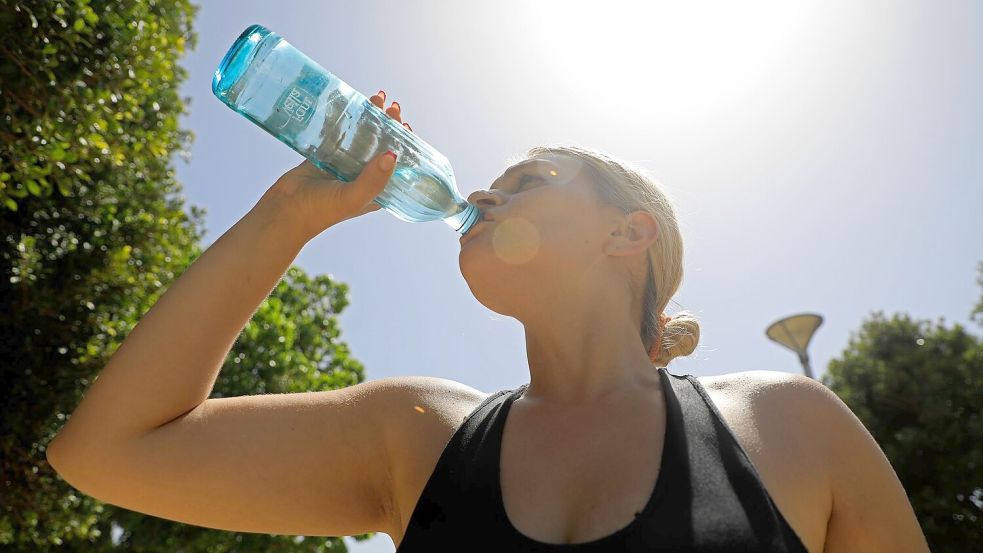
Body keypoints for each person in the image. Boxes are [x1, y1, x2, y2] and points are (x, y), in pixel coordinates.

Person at [46, 91, 931, 552]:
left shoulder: (785, 425)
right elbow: (103, 451)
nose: (480, 194)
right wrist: (290, 212)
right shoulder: (417, 433)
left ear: (628, 233)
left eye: (528, 180)